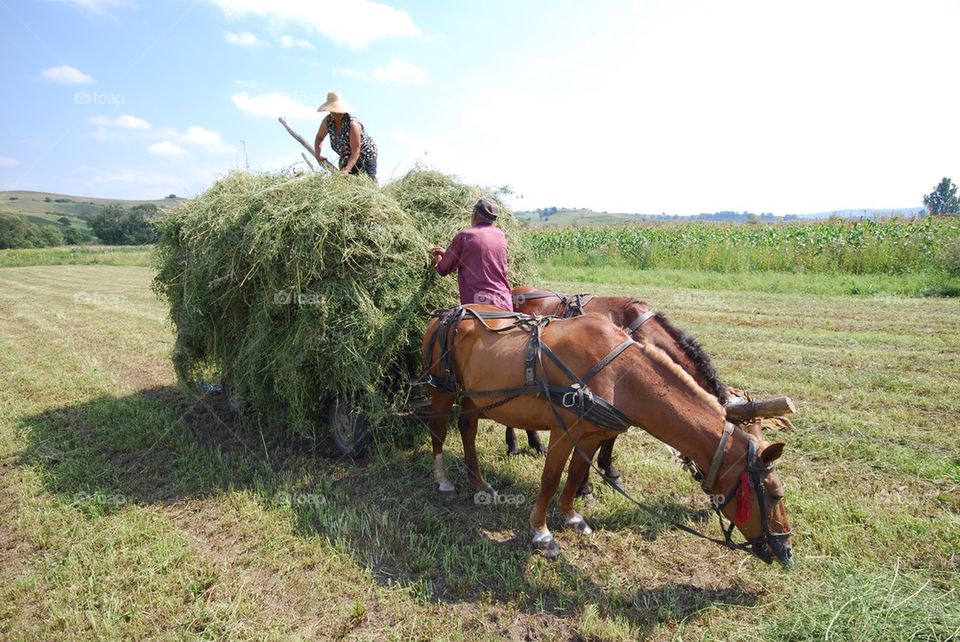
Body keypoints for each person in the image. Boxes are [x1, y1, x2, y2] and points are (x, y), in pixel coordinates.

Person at [431, 198, 513, 311]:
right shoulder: (500, 235)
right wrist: (448, 253)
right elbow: (481, 258)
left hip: (477, 307)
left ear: (474, 213)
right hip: (504, 304)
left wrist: (437, 258)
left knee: (439, 326)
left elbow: (443, 269)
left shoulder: (465, 236)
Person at [314, 91, 378, 181]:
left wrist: (347, 169)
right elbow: (319, 138)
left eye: (339, 110)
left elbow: (356, 151)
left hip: (365, 156)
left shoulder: (353, 124)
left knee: (367, 183)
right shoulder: (327, 121)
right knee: (345, 183)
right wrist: (317, 155)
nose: (337, 113)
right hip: (346, 156)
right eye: (334, 110)